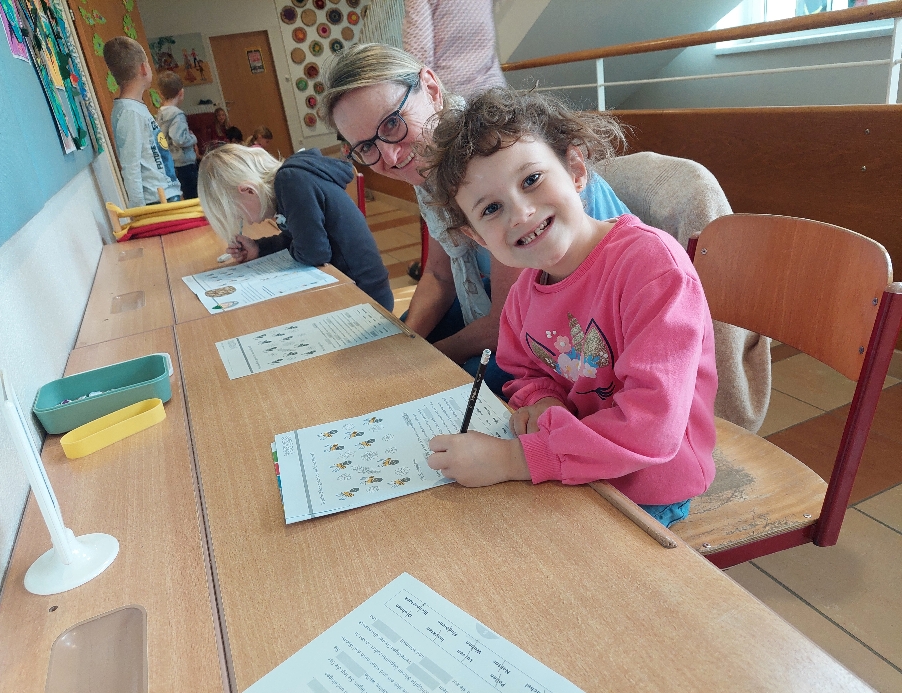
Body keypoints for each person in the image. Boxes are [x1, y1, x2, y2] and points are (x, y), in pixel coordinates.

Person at [422, 88, 717, 527]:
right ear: (478, 238)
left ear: (576, 169)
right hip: (572, 466)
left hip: (649, 484)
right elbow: (524, 370)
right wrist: (543, 399)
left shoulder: (652, 268)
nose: (520, 214)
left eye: (531, 180)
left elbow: (651, 429)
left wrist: (513, 459)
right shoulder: (523, 294)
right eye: (491, 208)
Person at [319, 43, 629, 398]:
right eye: (366, 147)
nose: (388, 155)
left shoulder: (485, 165)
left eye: (392, 122)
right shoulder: (430, 167)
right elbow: (439, 275)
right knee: (385, 348)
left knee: (436, 389)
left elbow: (506, 322)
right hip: (504, 301)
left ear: (431, 88)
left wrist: (422, 358)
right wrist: (408, 341)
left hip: (563, 319)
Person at [197, 144, 394, 311]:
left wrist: (295, 248)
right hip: (348, 287)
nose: (247, 223)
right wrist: (259, 248)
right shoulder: (286, 187)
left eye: (239, 216)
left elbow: (314, 253)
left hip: (366, 296)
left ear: (248, 190)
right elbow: (298, 238)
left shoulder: (291, 181)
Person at [103, 36, 181, 207]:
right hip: (156, 199)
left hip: (166, 193)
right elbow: (130, 166)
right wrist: (139, 210)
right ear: (144, 68)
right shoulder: (129, 112)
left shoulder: (136, 108)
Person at [155, 71, 199, 200]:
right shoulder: (177, 115)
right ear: (181, 93)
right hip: (184, 163)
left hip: (170, 162)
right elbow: (179, 139)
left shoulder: (160, 114)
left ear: (160, 94)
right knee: (193, 196)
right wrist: (193, 138)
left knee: (181, 193)